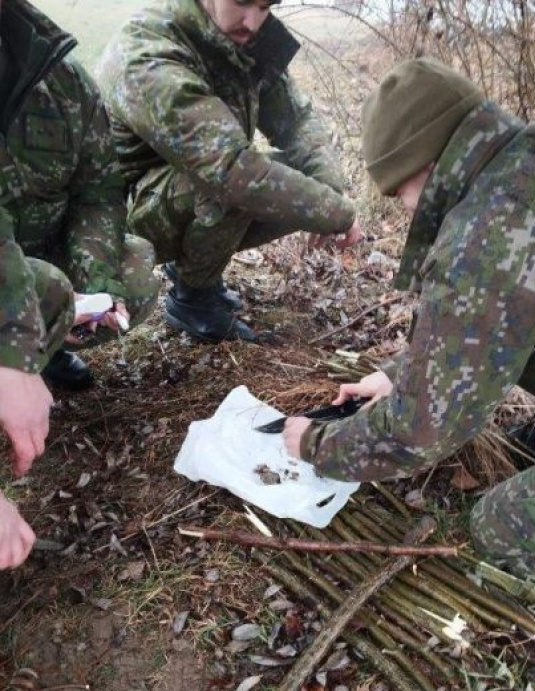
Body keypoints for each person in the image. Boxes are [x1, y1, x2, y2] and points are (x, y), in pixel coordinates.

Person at [284, 58, 535, 586]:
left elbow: (421, 431)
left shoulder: (487, 238)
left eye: (399, 193)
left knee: (502, 528)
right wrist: (398, 373)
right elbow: (506, 317)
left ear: (426, 166)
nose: (404, 209)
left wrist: (315, 445)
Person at [97, 0, 361, 344]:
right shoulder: (149, 56)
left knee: (299, 180)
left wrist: (329, 186)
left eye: (264, 7)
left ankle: (194, 268)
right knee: (237, 186)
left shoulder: (240, 39)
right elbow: (232, 171)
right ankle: (193, 299)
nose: (252, 21)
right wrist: (337, 214)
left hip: (176, 189)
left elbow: (295, 121)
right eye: (242, 2)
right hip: (114, 219)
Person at [0, 0, 159, 569]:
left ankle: (42, 356)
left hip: (40, 260)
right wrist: (12, 342)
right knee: (42, 288)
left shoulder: (61, 79)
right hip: (17, 276)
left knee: (134, 270)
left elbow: (99, 190)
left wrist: (93, 289)